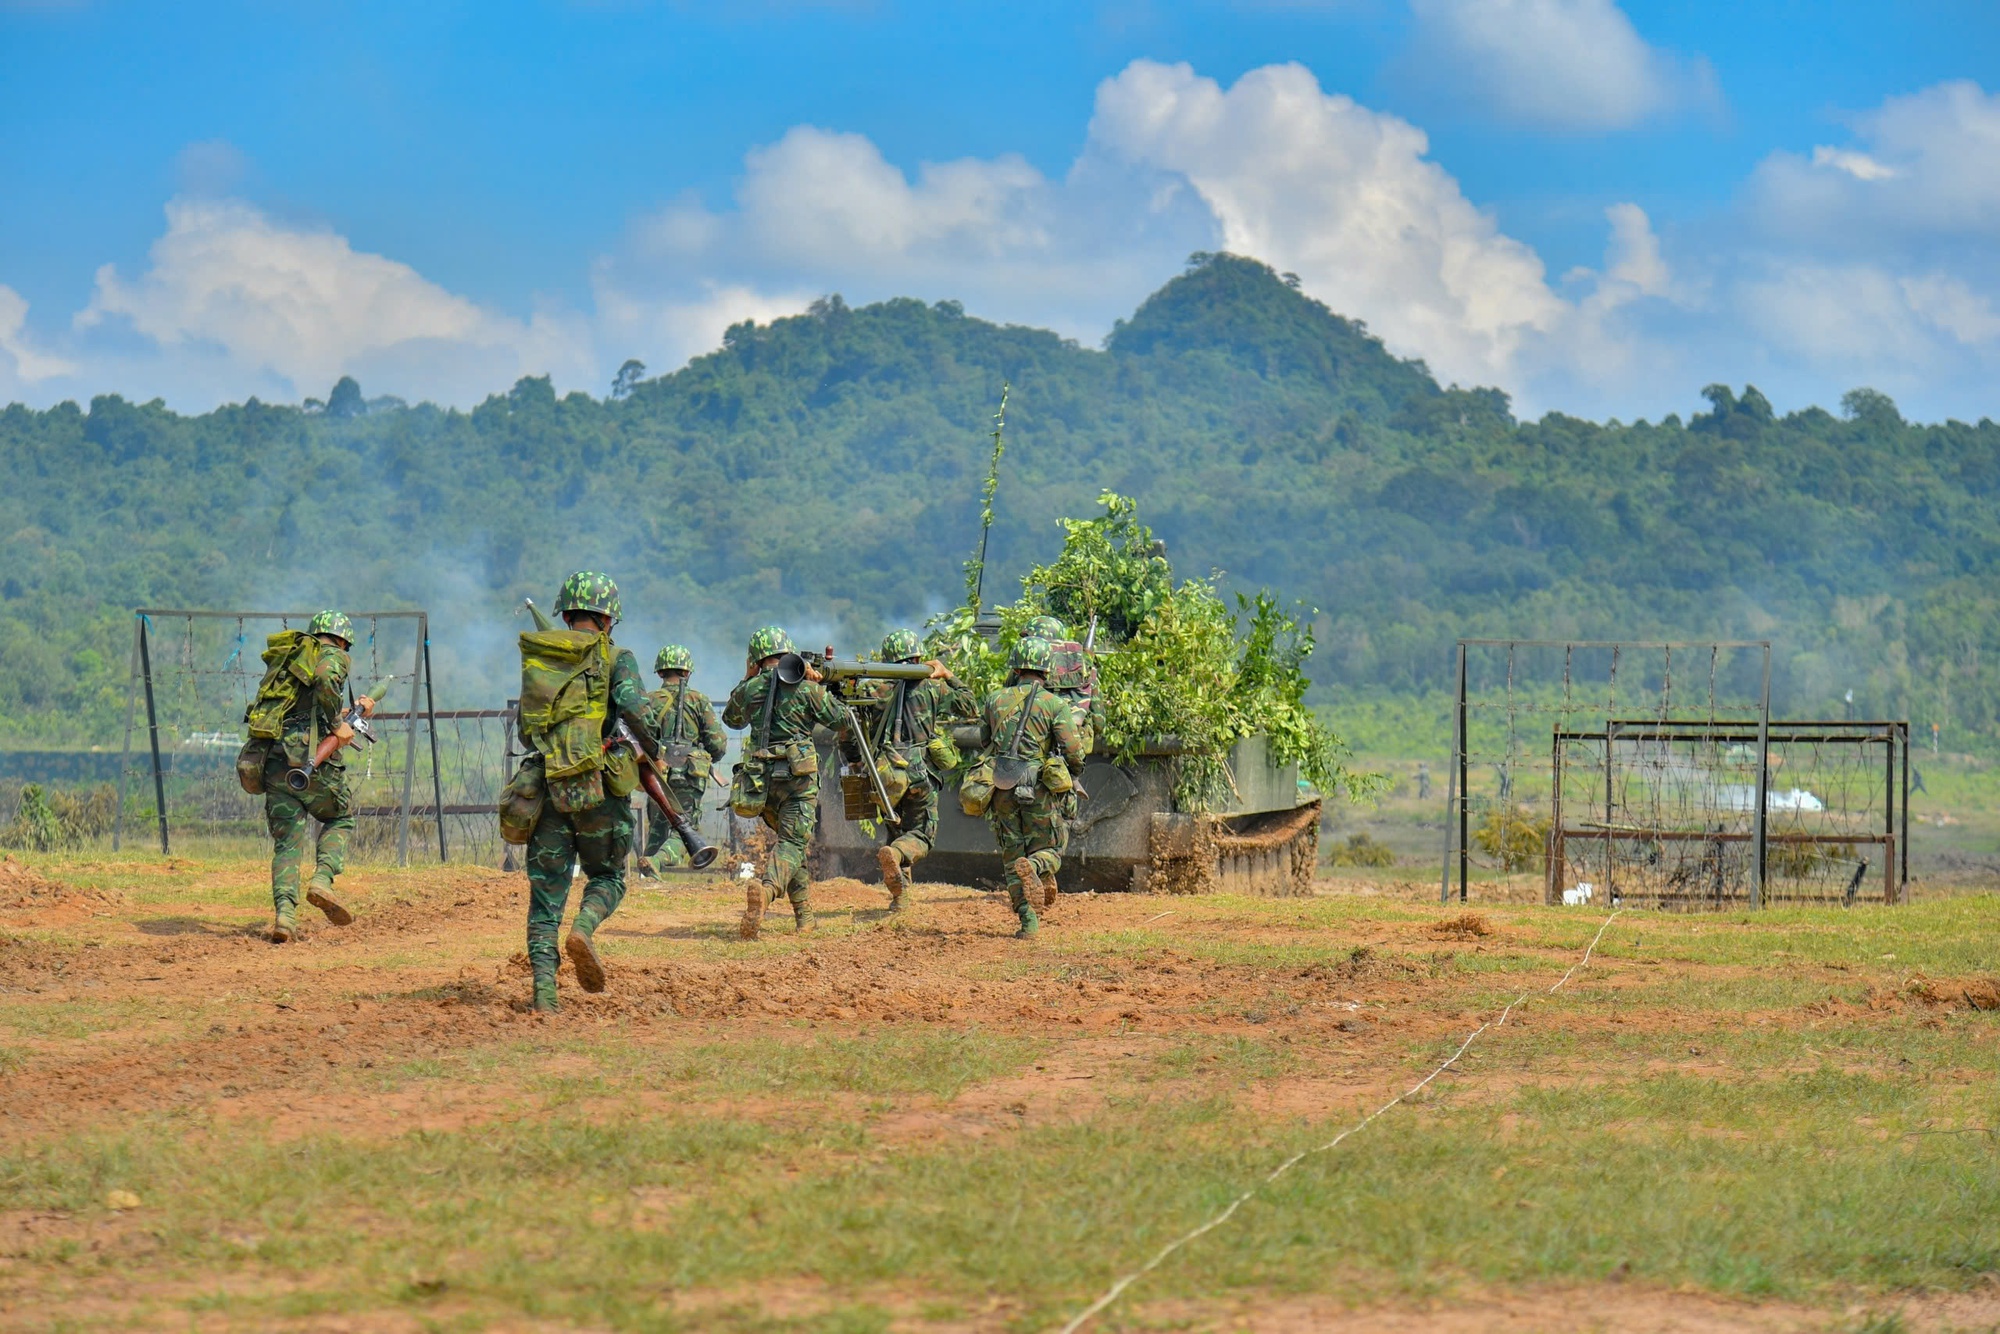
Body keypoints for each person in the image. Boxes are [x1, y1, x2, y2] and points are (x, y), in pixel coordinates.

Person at [516, 572, 663, 1013]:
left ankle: (544, 995)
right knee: (608, 877)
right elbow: (637, 712)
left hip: (548, 788)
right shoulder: (618, 657)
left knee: (545, 897)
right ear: (608, 618)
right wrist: (650, 751)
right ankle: (583, 927)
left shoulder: (542, 658)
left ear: (564, 613)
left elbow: (527, 733)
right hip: (599, 789)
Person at [250, 610, 377, 943]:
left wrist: (346, 714)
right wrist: (338, 725)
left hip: (275, 761)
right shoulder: (331, 655)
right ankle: (322, 881)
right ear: (340, 640)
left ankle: (285, 918)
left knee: (287, 844)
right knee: (341, 819)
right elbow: (325, 680)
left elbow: (304, 706)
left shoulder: (291, 659)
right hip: (311, 762)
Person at [722, 626, 845, 938]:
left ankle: (805, 917)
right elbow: (841, 719)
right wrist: (826, 685)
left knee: (791, 845)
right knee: (791, 843)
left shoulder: (750, 688)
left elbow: (731, 719)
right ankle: (763, 896)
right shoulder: (806, 688)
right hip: (797, 783)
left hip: (761, 786)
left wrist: (748, 677)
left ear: (757, 659)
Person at [973, 637, 1084, 939]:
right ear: (1047, 670)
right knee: (1052, 850)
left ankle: (1028, 922)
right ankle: (1036, 866)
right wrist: (1074, 773)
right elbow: (1072, 749)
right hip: (1039, 787)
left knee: (1012, 856)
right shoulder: (1055, 704)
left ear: (1016, 666)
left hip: (1002, 784)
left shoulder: (995, 699)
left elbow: (985, 740)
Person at [859, 628, 976, 908]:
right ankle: (898, 857)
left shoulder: (871, 689)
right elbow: (969, 705)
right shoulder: (932, 687)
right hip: (919, 770)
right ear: (917, 656)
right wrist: (948, 674)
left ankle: (901, 899)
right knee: (921, 833)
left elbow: (847, 725)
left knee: (897, 828)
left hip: (884, 773)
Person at [635, 645, 727, 875]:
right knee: (685, 829)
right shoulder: (699, 700)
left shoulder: (648, 701)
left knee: (657, 827)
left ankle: (647, 876)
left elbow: (638, 738)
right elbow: (717, 744)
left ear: (659, 673)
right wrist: (704, 755)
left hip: (658, 773)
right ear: (687, 673)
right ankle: (655, 864)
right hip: (689, 775)